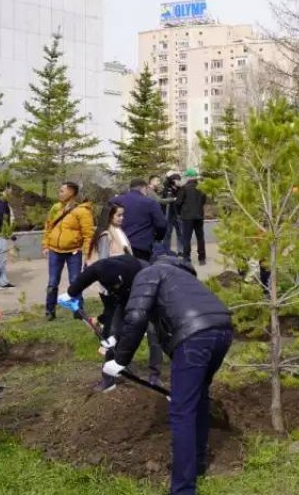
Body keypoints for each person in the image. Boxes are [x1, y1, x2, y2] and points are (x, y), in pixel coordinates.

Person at [101, 255, 232, 495]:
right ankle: (198, 463)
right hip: (222, 330)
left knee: (182, 412)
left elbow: (136, 317)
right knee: (198, 396)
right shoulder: (182, 275)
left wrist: (120, 360)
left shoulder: (148, 273)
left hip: (195, 336)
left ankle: (183, 489)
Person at [65, 254, 164, 392]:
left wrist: (120, 341)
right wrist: (70, 293)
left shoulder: (143, 276)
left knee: (154, 334)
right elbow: (88, 275)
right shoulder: (105, 268)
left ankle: (155, 377)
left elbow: (136, 320)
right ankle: (108, 379)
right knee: (112, 331)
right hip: (125, 293)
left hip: (149, 294)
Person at [42, 181, 94, 321]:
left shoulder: (83, 211)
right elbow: (49, 227)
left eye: (62, 190)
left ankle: (78, 310)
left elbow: (88, 235)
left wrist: (87, 255)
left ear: (71, 193)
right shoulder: (56, 208)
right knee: (52, 282)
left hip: (74, 252)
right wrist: (46, 245)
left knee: (75, 281)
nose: (59, 193)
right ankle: (49, 311)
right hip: (54, 251)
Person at [111, 178, 169, 262]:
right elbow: (161, 224)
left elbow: (105, 221)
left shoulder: (114, 201)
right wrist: (158, 237)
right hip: (141, 245)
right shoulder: (151, 203)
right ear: (144, 188)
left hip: (118, 244)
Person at [176, 169, 208, 266]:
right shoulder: (202, 188)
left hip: (187, 216)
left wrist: (179, 213)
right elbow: (204, 200)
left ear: (188, 177)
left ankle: (187, 258)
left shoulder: (184, 188)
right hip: (199, 215)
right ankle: (202, 258)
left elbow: (178, 202)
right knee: (200, 237)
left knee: (186, 238)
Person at [160, 172, 183, 251]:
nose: (179, 181)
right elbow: (163, 202)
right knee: (167, 234)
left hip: (178, 214)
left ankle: (181, 250)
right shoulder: (166, 190)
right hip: (168, 215)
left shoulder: (181, 189)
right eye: (177, 180)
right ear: (173, 181)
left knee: (180, 233)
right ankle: (166, 250)